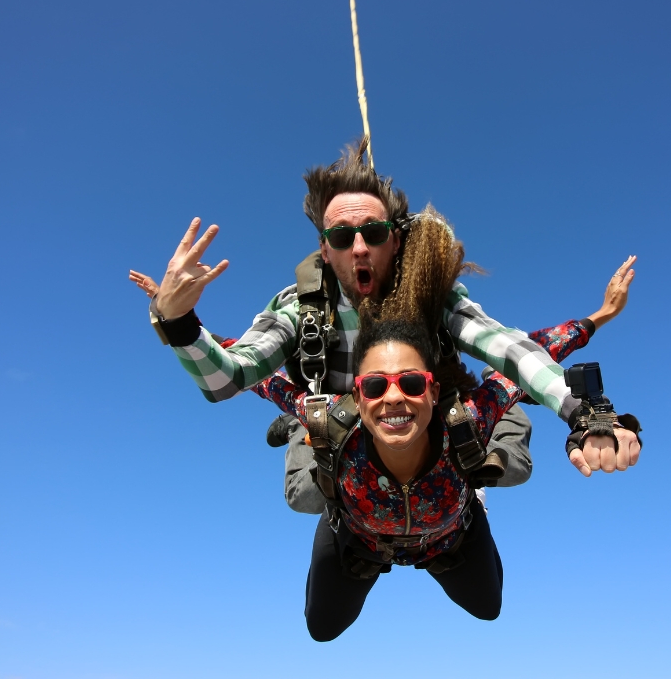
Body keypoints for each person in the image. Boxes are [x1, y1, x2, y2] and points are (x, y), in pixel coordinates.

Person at [137, 141, 641, 504]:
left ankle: (459, 492)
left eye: (373, 232)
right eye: (341, 237)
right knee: (308, 494)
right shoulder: (300, 307)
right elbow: (230, 376)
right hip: (341, 420)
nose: (358, 247)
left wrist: (582, 410)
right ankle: (305, 427)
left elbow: (509, 347)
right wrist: (179, 321)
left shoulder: (429, 297)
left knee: (514, 466)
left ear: (393, 242)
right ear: (324, 249)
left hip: (423, 421)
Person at [241, 210, 640, 639]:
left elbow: (533, 353)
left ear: (432, 390)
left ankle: (484, 457)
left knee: (490, 598)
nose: (394, 396)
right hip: (360, 540)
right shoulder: (340, 421)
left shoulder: (462, 421)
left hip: (446, 537)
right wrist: (178, 324)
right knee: (315, 579)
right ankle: (304, 431)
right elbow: (256, 375)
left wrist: (596, 397)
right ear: (357, 395)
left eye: (411, 383)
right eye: (375, 386)